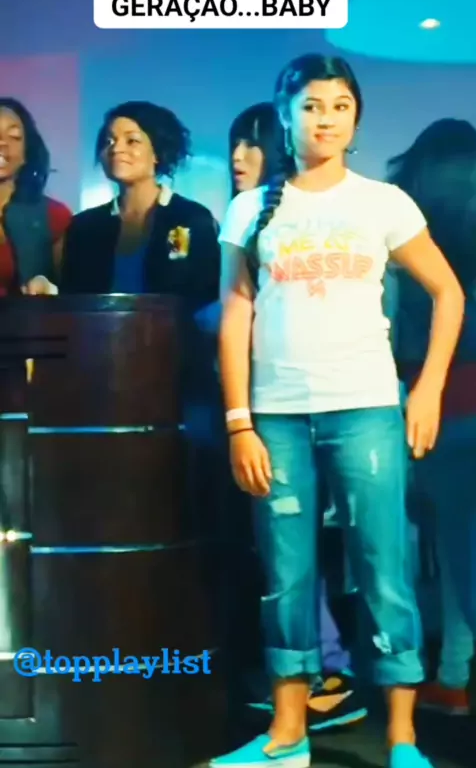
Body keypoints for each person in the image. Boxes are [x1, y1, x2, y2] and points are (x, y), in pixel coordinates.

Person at [211, 54, 464, 768]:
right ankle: (287, 735)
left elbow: (448, 292)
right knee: (285, 576)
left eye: (340, 106)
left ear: (356, 118)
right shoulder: (250, 208)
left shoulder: (382, 202)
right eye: (311, 105)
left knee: (384, 569)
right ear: (284, 115)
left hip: (367, 410)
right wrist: (239, 421)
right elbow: (235, 315)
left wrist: (428, 389)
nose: (326, 119)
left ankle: (403, 738)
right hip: (276, 416)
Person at [230, 102, 367, 732]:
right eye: (234, 145)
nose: (239, 157)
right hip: (257, 407)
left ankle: (333, 674)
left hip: (325, 404)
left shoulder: (341, 212)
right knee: (280, 553)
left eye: (251, 145)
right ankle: (298, 691)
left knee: (316, 551)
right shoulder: (245, 216)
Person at [387, 119, 476, 716]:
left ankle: (453, 677)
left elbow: (396, 333)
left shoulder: (405, 224)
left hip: (436, 403)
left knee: (456, 550)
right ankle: (454, 674)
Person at [60, 100, 219, 309]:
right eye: (109, 141)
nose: (116, 149)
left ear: (157, 153)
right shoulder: (83, 226)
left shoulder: (191, 218)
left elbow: (206, 295)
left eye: (132, 141)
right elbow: (72, 298)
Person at [0, 98, 71, 295]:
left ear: (26, 153)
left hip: (27, 315)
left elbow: (71, 289)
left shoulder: (54, 215)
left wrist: (48, 288)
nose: (2, 142)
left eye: (14, 136)